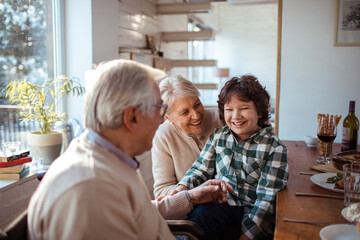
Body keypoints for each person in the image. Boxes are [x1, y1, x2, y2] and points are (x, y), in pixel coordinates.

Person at [27, 59, 234, 240]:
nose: (162, 120)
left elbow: (137, 211)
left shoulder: (110, 160)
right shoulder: (88, 189)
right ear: (131, 117)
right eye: (159, 110)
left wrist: (191, 197)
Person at [174, 75, 289, 240]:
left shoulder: (275, 148)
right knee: (199, 218)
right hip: (222, 204)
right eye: (229, 109)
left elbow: (268, 198)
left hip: (254, 211)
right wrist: (181, 188)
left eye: (244, 108)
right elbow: (200, 169)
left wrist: (248, 235)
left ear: (260, 112)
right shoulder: (219, 136)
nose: (236, 116)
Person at [152, 75, 223, 197]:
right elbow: (161, 190)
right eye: (185, 112)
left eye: (197, 105)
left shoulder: (222, 119)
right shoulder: (163, 136)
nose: (196, 115)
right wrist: (193, 194)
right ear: (169, 118)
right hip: (194, 207)